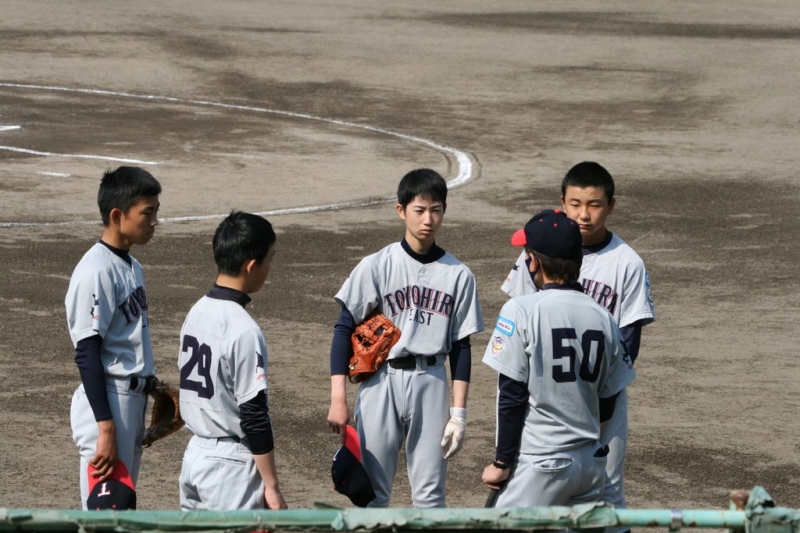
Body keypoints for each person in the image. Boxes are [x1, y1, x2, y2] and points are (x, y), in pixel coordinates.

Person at [500, 162, 655, 522]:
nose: (584, 214)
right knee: (535, 480)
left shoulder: (627, 263)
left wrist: (602, 401)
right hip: (545, 392)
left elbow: (629, 339)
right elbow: (521, 318)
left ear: (611, 205)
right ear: (562, 202)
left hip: (602, 392)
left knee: (607, 495)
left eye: (594, 205)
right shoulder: (538, 249)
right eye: (575, 204)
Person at [326, 168, 485, 508]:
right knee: (371, 494)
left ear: (444, 211)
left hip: (431, 381)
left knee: (430, 495)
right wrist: (338, 397)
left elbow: (461, 347)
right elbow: (343, 328)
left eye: (436, 210)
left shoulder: (459, 275)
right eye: (420, 210)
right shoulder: (376, 265)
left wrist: (459, 413)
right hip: (381, 381)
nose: (428, 219)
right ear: (401, 211)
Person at [482, 209, 636, 507]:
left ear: (535, 262)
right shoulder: (603, 317)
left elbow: (512, 395)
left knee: (498, 527)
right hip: (590, 466)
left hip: (541, 464)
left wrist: (501, 462)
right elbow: (608, 398)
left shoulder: (521, 310)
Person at [65, 166, 161, 510]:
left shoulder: (132, 266)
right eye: (147, 213)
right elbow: (87, 352)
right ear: (117, 215)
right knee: (105, 517)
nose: (154, 222)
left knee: (123, 514)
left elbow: (125, 341)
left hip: (130, 403)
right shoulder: (95, 271)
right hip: (107, 405)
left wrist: (153, 386)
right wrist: (104, 427)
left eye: (156, 212)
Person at [178, 211, 287, 510]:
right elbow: (254, 414)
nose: (269, 269)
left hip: (194, 457)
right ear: (251, 266)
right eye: (269, 260)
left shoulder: (196, 311)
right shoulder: (244, 329)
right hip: (229, 469)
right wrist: (272, 486)